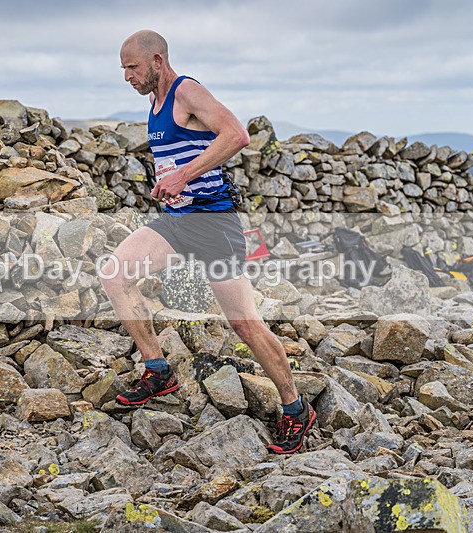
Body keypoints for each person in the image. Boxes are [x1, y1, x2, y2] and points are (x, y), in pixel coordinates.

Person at [101, 29, 315, 454]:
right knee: (114, 273)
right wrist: (172, 183)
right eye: (123, 68)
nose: (126, 76)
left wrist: (182, 176)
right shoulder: (155, 102)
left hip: (215, 225)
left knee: (243, 324)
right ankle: (158, 371)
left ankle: (295, 408)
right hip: (178, 222)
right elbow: (183, 154)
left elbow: (236, 135)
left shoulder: (186, 91)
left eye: (132, 67)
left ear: (157, 61)